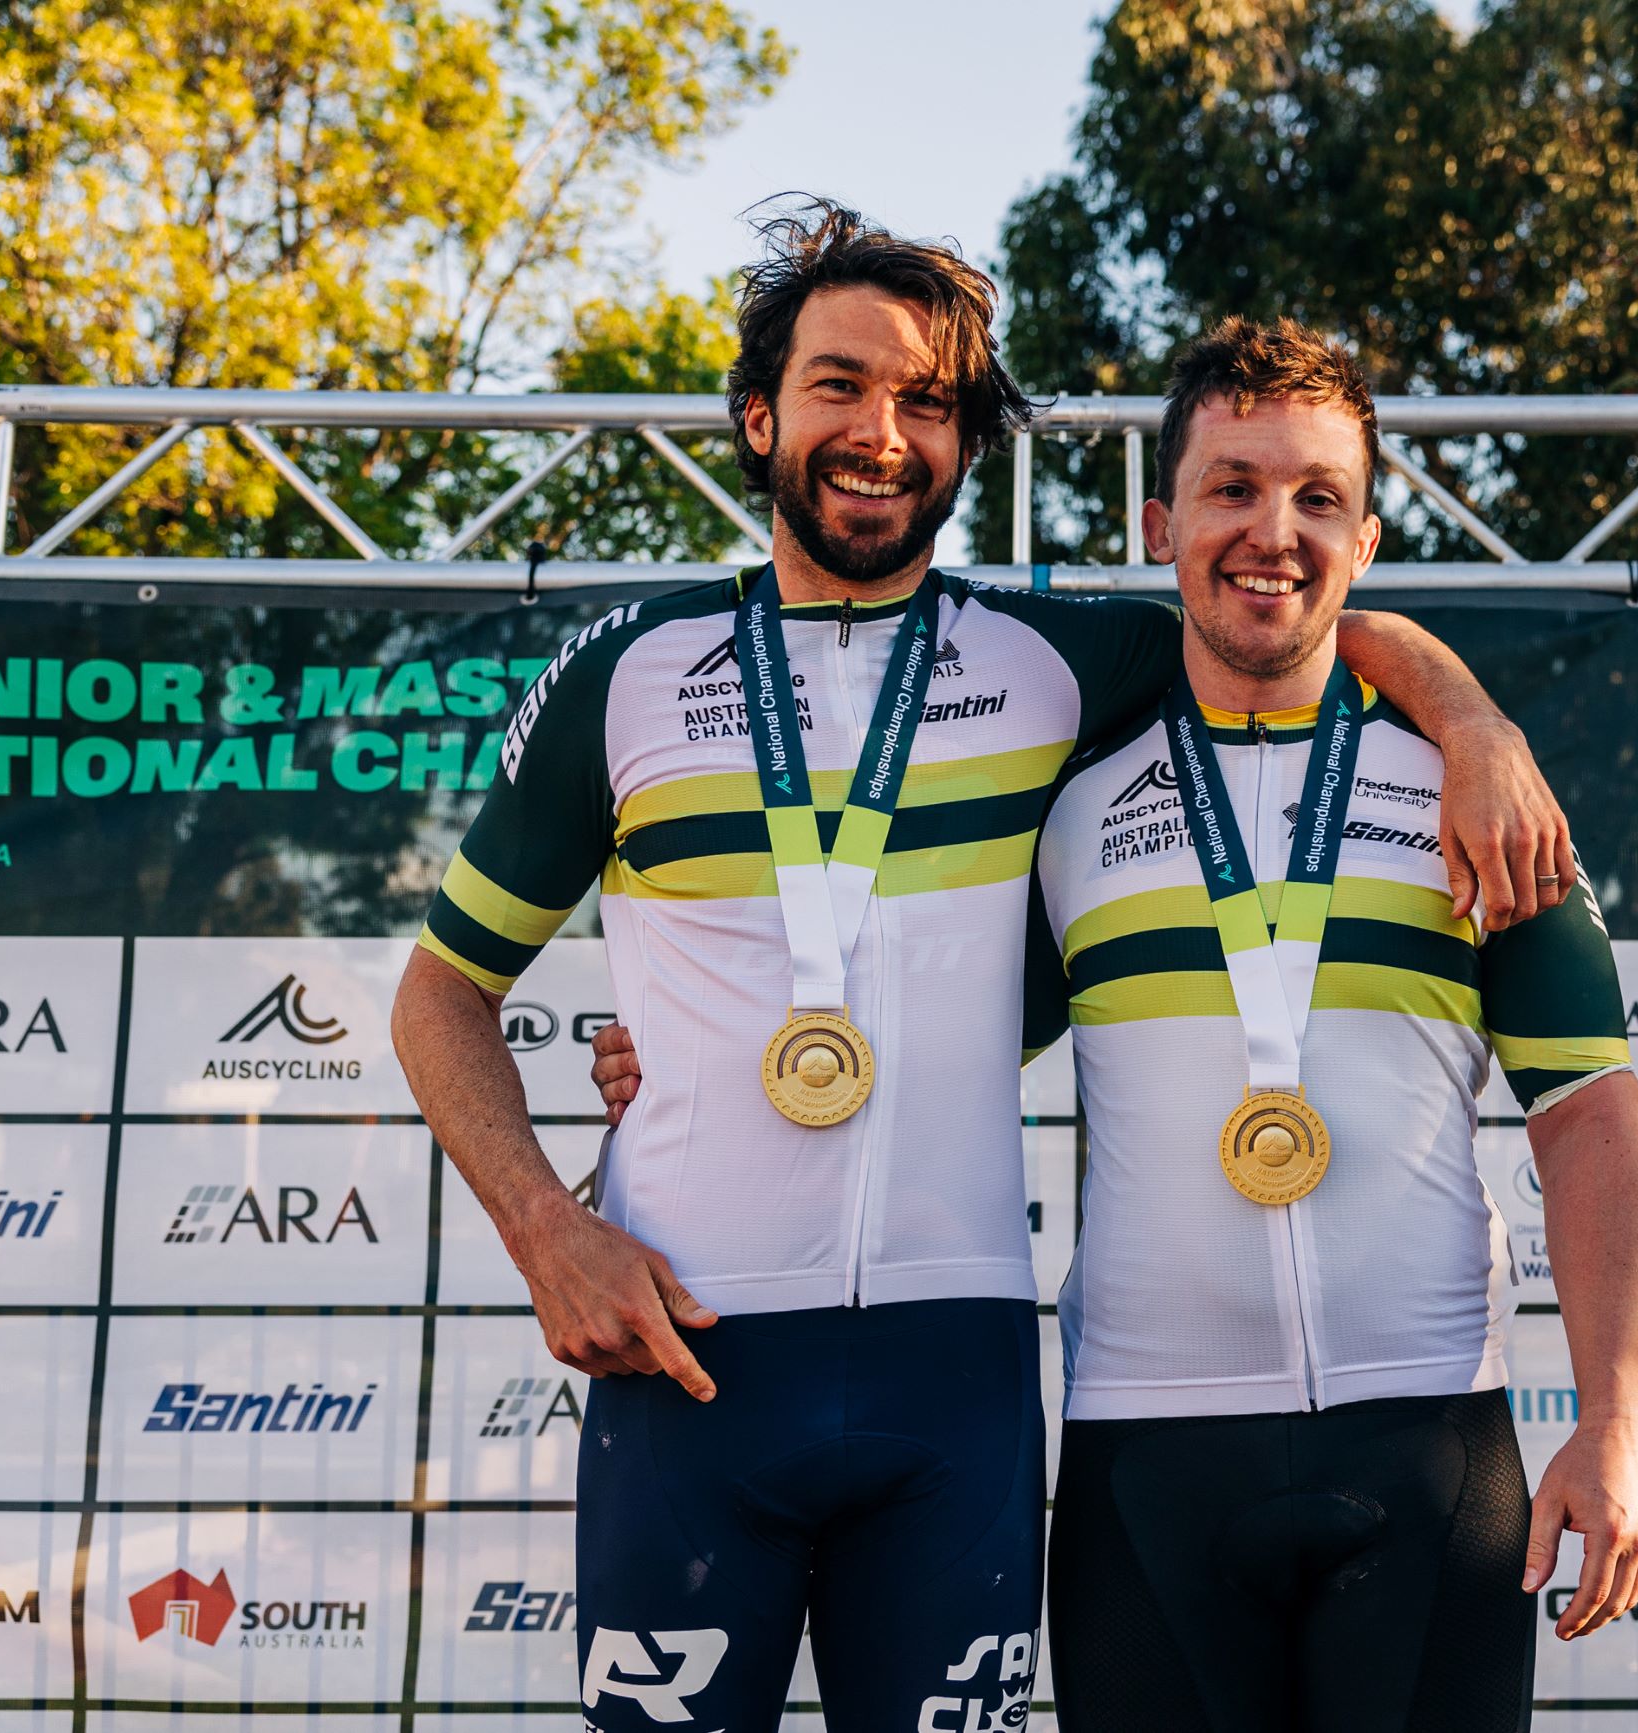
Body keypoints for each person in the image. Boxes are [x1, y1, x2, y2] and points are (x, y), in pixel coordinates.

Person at [391, 202, 1577, 1732]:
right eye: (840, 385)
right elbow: (440, 992)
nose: (880, 432)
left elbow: (1291, 604)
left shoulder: (1058, 663)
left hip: (954, 1382)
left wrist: (1470, 719)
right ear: (759, 416)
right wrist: (545, 1228)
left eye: (928, 402)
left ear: (966, 446)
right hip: (685, 1363)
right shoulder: (630, 674)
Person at [1021, 318, 1638, 1731]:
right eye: (1234, 487)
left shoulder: (1481, 795)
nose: (1274, 530)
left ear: (1364, 538)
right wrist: (668, 1062)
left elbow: (1591, 1115)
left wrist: (1618, 1421)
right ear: (1160, 522)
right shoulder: (1064, 807)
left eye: (1318, 496)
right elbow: (918, 1037)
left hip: (1430, 1454)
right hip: (1149, 1467)